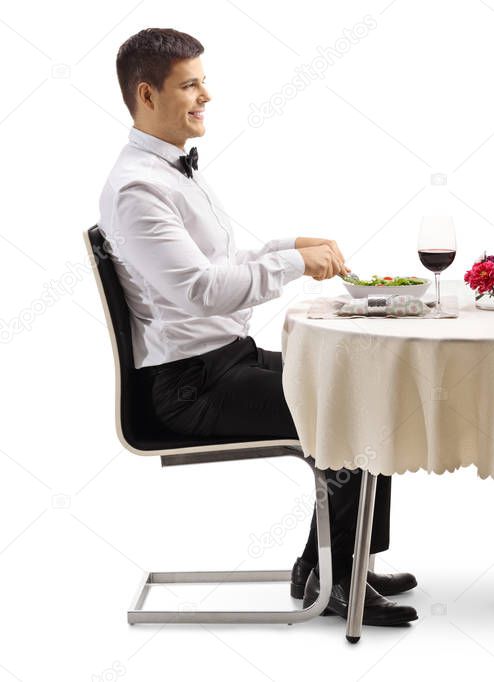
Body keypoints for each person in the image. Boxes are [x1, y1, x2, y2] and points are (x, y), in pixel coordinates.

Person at [98, 28, 417, 626]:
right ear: (147, 94)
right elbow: (199, 293)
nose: (206, 96)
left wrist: (286, 244)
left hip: (224, 360)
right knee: (356, 407)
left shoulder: (169, 173)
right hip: (189, 386)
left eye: (202, 81)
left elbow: (214, 266)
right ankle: (338, 580)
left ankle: (324, 566)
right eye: (190, 85)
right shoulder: (137, 188)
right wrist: (297, 265)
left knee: (372, 386)